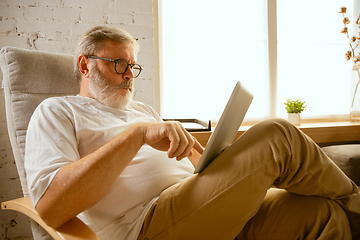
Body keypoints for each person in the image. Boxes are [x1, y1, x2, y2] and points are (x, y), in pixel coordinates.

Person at [24, 25, 360, 240]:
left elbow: (192, 163)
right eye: (119, 64)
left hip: (202, 207)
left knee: (323, 215)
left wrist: (219, 159)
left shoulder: (142, 111)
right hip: (146, 224)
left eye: (132, 66)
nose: (129, 75)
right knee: (278, 135)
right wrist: (137, 135)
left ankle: (348, 207)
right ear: (85, 65)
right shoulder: (57, 111)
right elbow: (52, 207)